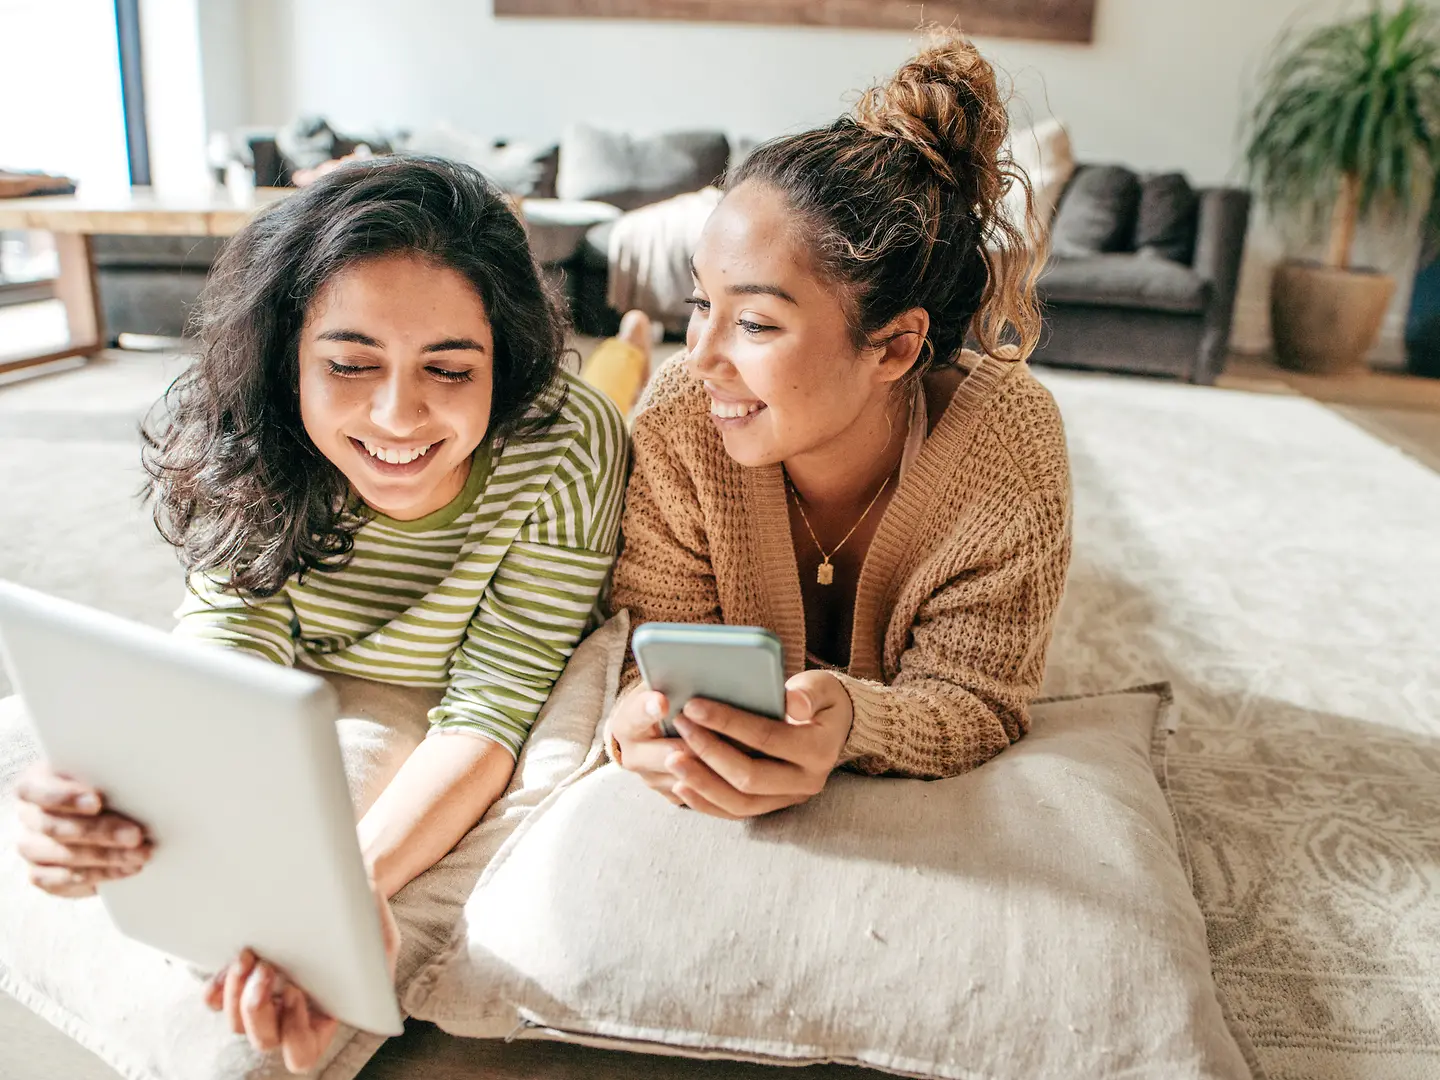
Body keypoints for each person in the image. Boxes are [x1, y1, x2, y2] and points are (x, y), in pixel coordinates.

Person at [11, 156, 628, 1071]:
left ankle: (637, 343)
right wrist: (110, 800)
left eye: (451, 368)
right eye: (348, 363)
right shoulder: (247, 429)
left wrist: (336, 899)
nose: (397, 415)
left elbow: (491, 704)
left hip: (575, 447)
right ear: (287, 354)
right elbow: (225, 649)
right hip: (316, 644)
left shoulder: (564, 442)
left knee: (623, 378)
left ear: (505, 360)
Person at [604, 29, 1073, 818]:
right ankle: (625, 343)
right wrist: (637, 718)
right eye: (698, 306)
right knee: (607, 389)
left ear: (893, 347)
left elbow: (981, 698)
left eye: (754, 323)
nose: (703, 356)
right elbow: (647, 643)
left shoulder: (1009, 449)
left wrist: (858, 721)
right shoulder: (681, 416)